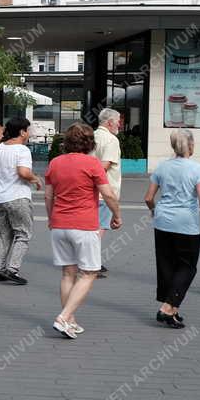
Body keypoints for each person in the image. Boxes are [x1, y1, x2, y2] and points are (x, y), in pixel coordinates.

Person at [44, 123, 122, 339]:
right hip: (84, 226)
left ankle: (70, 321)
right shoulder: (93, 164)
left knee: (68, 273)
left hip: (59, 225)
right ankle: (63, 317)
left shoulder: (55, 163)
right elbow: (107, 194)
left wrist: (51, 219)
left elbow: (48, 196)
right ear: (90, 143)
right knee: (89, 273)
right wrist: (117, 215)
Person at [145, 129, 200, 328]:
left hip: (162, 222)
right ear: (191, 145)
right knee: (187, 267)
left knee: (167, 265)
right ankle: (167, 307)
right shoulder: (197, 169)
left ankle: (173, 309)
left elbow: (148, 198)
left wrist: (155, 211)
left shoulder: (162, 167)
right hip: (186, 224)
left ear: (174, 146)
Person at [0, 117, 42, 285]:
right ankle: (12, 270)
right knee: (23, 233)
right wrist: (36, 179)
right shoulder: (22, 150)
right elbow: (24, 172)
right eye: (28, 129)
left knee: (2, 234)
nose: (29, 132)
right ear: (22, 132)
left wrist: (3, 177)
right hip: (17, 197)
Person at [91, 108, 123, 277]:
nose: (119, 124)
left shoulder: (91, 136)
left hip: (89, 191)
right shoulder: (111, 140)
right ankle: (91, 264)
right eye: (118, 121)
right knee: (99, 229)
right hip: (104, 191)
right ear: (109, 122)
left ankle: (90, 261)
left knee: (91, 228)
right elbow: (104, 166)